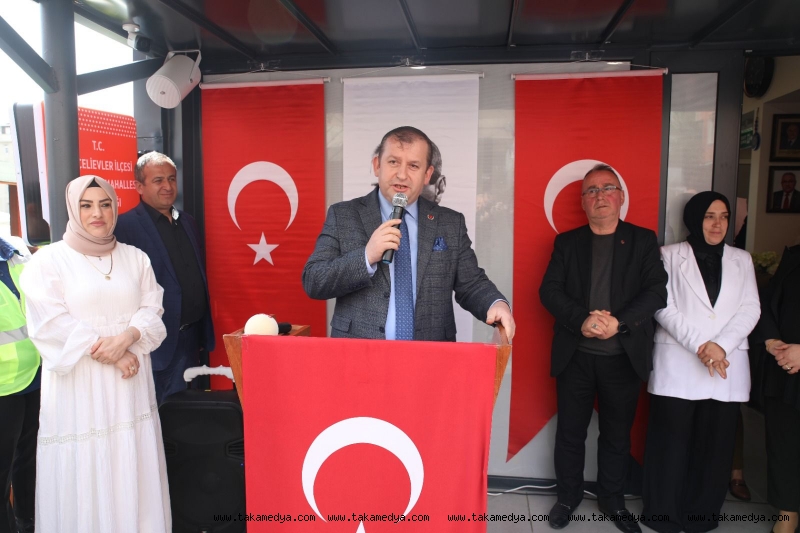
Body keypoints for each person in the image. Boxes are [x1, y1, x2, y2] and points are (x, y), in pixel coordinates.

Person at [19, 176, 170, 532]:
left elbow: (153, 310)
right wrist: (114, 352)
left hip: (130, 388)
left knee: (130, 464)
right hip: (79, 390)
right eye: (86, 205)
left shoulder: (135, 258)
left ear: (116, 207)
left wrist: (129, 336)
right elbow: (49, 323)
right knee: (87, 468)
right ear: (73, 210)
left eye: (104, 204)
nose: (97, 213)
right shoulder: (48, 261)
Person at [539, 163, 668, 533]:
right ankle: (567, 498)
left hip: (623, 358)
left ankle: (613, 501)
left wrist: (619, 322)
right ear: (583, 201)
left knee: (616, 436)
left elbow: (656, 291)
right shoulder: (567, 243)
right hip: (576, 357)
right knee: (570, 434)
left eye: (608, 188)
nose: (600, 196)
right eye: (592, 190)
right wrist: (581, 319)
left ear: (621, 196)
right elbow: (549, 290)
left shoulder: (642, 240)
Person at [303, 126, 515, 341]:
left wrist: (496, 304)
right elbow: (314, 279)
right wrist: (366, 257)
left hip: (429, 355)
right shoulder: (344, 215)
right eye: (393, 162)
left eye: (413, 165)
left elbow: (471, 284)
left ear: (427, 174)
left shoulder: (450, 223)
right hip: (360, 353)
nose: (402, 174)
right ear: (377, 165)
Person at [641, 191, 760, 533]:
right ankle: (663, 516)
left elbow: (751, 308)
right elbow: (662, 305)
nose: (718, 224)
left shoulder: (742, 259)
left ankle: (700, 516)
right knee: (670, 445)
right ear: (694, 219)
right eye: (709, 216)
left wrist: (720, 346)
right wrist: (701, 345)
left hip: (725, 366)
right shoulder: (668, 254)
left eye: (724, 216)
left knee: (715, 447)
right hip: (679, 362)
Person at [115, 152, 215, 404]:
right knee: (161, 413)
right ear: (139, 186)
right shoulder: (124, 227)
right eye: (158, 180)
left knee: (190, 414)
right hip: (157, 346)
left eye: (171, 179)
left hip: (192, 339)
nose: (167, 186)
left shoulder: (187, 222)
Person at [758, 243, 800, 533]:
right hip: (784, 367)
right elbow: (767, 302)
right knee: (783, 445)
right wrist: (772, 341)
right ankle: (787, 515)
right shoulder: (794, 256)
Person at [0, 236, 39, 533]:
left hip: (35, 376)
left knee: (30, 462)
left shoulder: (16, 250)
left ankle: (29, 522)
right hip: (2, 387)